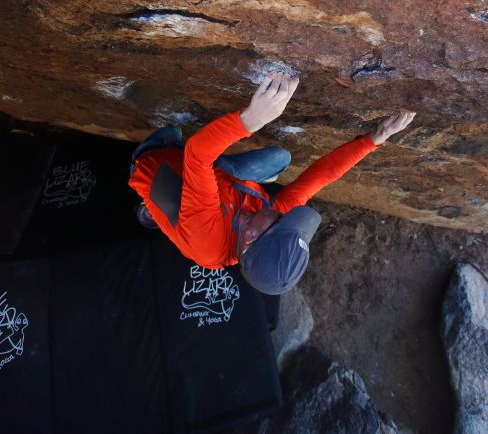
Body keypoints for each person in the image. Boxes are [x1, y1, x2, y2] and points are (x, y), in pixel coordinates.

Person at [128, 72, 416, 295]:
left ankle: (152, 205)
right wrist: (374, 140)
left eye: (281, 222)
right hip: (222, 186)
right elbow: (319, 177)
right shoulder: (266, 222)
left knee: (174, 134)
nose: (286, 214)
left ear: (251, 236)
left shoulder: (208, 239)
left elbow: (196, 153)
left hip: (162, 161)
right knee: (280, 158)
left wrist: (250, 120)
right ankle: (173, 205)